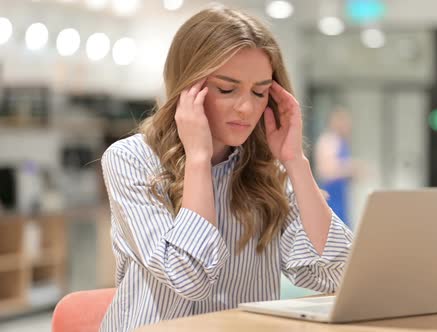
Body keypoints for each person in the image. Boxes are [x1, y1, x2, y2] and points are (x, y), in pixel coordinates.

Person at [99, 6, 353, 332]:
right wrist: (199, 159)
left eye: (260, 92)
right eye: (227, 89)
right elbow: (188, 276)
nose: (247, 108)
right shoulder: (131, 160)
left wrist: (295, 161)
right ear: (187, 87)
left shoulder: (267, 172)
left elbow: (335, 273)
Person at [314, 109, 356, 228]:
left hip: (341, 194)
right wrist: (349, 169)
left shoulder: (342, 142)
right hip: (331, 193)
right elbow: (325, 171)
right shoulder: (328, 141)